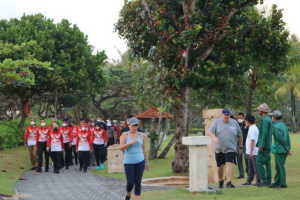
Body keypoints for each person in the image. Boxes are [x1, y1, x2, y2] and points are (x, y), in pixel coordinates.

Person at [206, 108, 243, 188]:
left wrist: (240, 147)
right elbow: (209, 131)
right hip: (219, 148)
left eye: (228, 115)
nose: (227, 117)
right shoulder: (217, 122)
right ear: (222, 115)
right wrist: (213, 137)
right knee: (220, 166)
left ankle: (229, 182)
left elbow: (240, 135)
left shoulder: (234, 122)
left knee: (229, 163)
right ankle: (220, 181)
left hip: (231, 148)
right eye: (225, 115)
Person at [119, 117, 149, 200]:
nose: (135, 128)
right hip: (128, 162)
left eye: (136, 126)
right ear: (129, 126)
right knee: (131, 182)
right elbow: (121, 147)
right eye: (133, 126)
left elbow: (144, 149)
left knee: (138, 182)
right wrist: (130, 143)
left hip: (140, 161)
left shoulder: (141, 135)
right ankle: (128, 193)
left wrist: (146, 162)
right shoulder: (125, 134)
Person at [268, 110, 291, 189]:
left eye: (272, 116)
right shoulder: (283, 125)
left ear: (274, 117)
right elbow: (287, 137)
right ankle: (276, 182)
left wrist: (287, 148)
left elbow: (281, 138)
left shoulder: (276, 127)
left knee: (280, 167)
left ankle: (283, 183)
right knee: (278, 167)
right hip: (283, 149)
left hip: (279, 149)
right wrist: (288, 148)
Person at [256, 103, 273, 187]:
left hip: (264, 145)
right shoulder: (269, 119)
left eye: (259, 110)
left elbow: (264, 133)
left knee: (258, 162)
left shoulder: (265, 120)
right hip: (268, 145)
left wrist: (261, 145)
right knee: (267, 163)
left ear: (261, 111)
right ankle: (269, 180)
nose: (258, 111)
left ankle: (265, 180)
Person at [242, 114, 261, 186]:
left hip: (253, 151)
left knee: (254, 166)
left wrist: (251, 152)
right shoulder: (252, 128)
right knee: (250, 166)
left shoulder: (252, 129)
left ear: (248, 121)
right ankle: (249, 180)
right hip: (250, 151)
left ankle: (258, 180)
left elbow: (252, 141)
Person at [236, 112, 249, 179]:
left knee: (247, 158)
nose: (239, 119)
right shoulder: (236, 125)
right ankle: (241, 174)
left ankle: (249, 172)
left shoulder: (247, 125)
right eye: (238, 118)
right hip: (238, 145)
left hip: (246, 144)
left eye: (241, 118)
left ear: (243, 117)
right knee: (239, 159)